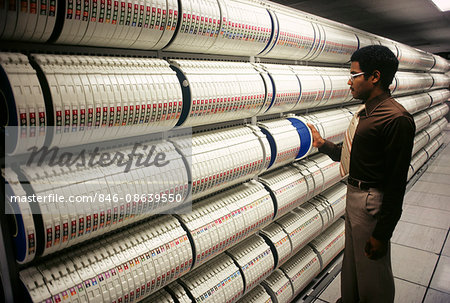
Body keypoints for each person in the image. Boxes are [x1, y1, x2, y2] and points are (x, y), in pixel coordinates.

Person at [307, 45, 416, 303]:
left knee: (372, 272)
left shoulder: (395, 118)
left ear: (374, 77)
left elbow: (396, 182)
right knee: (354, 265)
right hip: (355, 196)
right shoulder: (368, 113)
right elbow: (354, 154)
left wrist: (382, 233)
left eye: (354, 74)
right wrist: (323, 144)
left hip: (371, 202)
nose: (349, 80)